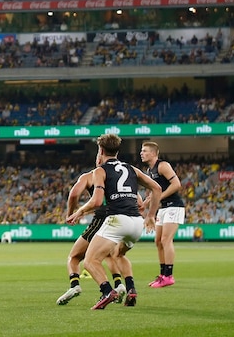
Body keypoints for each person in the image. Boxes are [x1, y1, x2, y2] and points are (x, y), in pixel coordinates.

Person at [67, 133, 161, 310]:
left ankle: (107, 291)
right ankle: (131, 289)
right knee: (119, 254)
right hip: (136, 223)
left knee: (90, 260)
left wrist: (79, 211)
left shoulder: (99, 171)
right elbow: (156, 188)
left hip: (117, 220)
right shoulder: (131, 169)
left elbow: (96, 201)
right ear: (117, 151)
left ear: (100, 150)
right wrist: (150, 216)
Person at [57, 150, 125, 305]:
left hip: (101, 218)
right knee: (108, 255)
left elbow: (74, 194)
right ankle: (119, 284)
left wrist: (71, 213)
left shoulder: (90, 176)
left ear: (100, 156)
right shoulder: (120, 174)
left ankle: (75, 285)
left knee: (74, 256)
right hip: (120, 218)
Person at [140, 140, 185, 288]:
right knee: (158, 241)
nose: (142, 153)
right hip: (163, 208)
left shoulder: (162, 165)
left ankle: (169, 276)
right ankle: (162, 275)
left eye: (145, 151)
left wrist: (159, 197)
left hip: (174, 206)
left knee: (166, 240)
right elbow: (155, 192)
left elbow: (176, 184)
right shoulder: (149, 171)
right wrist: (146, 202)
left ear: (153, 153)